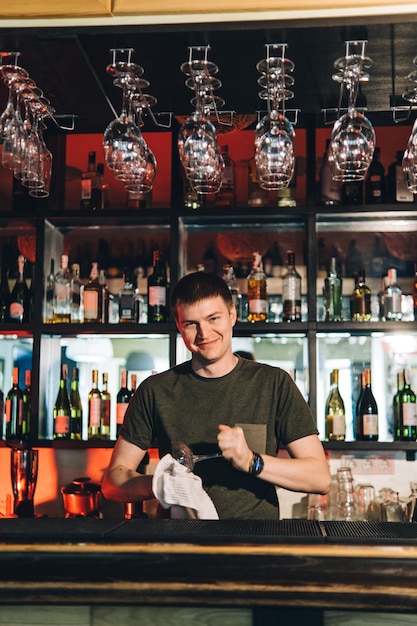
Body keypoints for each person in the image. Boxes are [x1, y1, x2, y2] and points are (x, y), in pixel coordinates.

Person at [102, 271, 331, 519]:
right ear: (179, 326)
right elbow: (112, 482)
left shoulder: (273, 383)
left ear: (232, 315)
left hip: (256, 546)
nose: (204, 333)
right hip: (181, 547)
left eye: (213, 318)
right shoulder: (155, 390)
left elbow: (319, 478)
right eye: (191, 323)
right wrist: (159, 484)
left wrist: (251, 461)